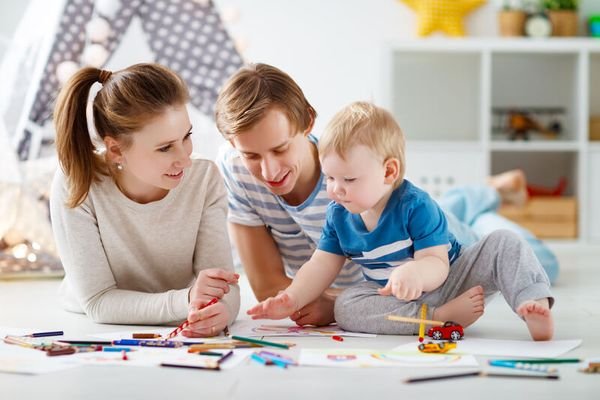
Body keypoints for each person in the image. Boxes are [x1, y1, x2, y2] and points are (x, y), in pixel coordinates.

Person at [214, 63, 558, 328]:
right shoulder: (335, 199)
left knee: (533, 258)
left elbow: (435, 259)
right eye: (252, 156)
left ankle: (488, 196)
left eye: (280, 148)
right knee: (347, 305)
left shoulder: (359, 176)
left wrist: (413, 275)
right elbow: (301, 273)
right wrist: (295, 298)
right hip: (385, 278)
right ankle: (482, 195)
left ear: (306, 123)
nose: (270, 172)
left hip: (434, 247)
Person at [50, 63, 239, 337]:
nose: (185, 159)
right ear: (116, 149)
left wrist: (222, 311)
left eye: (186, 136)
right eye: (165, 148)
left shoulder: (204, 178)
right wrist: (185, 301)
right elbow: (98, 301)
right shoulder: (76, 182)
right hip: (91, 330)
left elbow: (223, 284)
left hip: (175, 326)